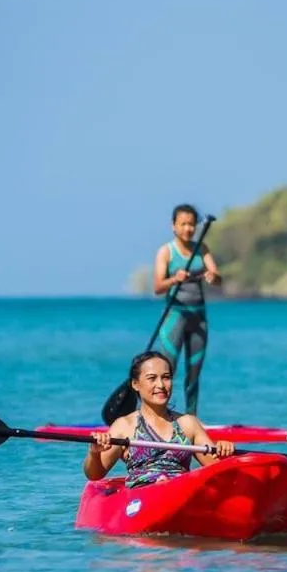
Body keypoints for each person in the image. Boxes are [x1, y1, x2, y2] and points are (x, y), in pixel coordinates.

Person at [85, 351, 234, 487]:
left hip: (181, 491)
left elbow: (219, 469)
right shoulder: (124, 426)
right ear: (135, 384)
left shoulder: (188, 423)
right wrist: (94, 453)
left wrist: (224, 452)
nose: (161, 385)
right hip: (143, 496)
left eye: (166, 377)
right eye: (152, 378)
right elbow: (94, 474)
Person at [151, 204, 222, 416]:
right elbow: (157, 287)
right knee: (167, 372)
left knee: (194, 373)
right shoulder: (166, 252)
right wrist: (175, 278)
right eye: (183, 224)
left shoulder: (201, 248)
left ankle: (191, 418)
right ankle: (160, 416)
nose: (188, 229)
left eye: (191, 224)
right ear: (173, 226)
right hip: (175, 316)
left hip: (198, 318)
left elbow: (218, 278)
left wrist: (212, 277)